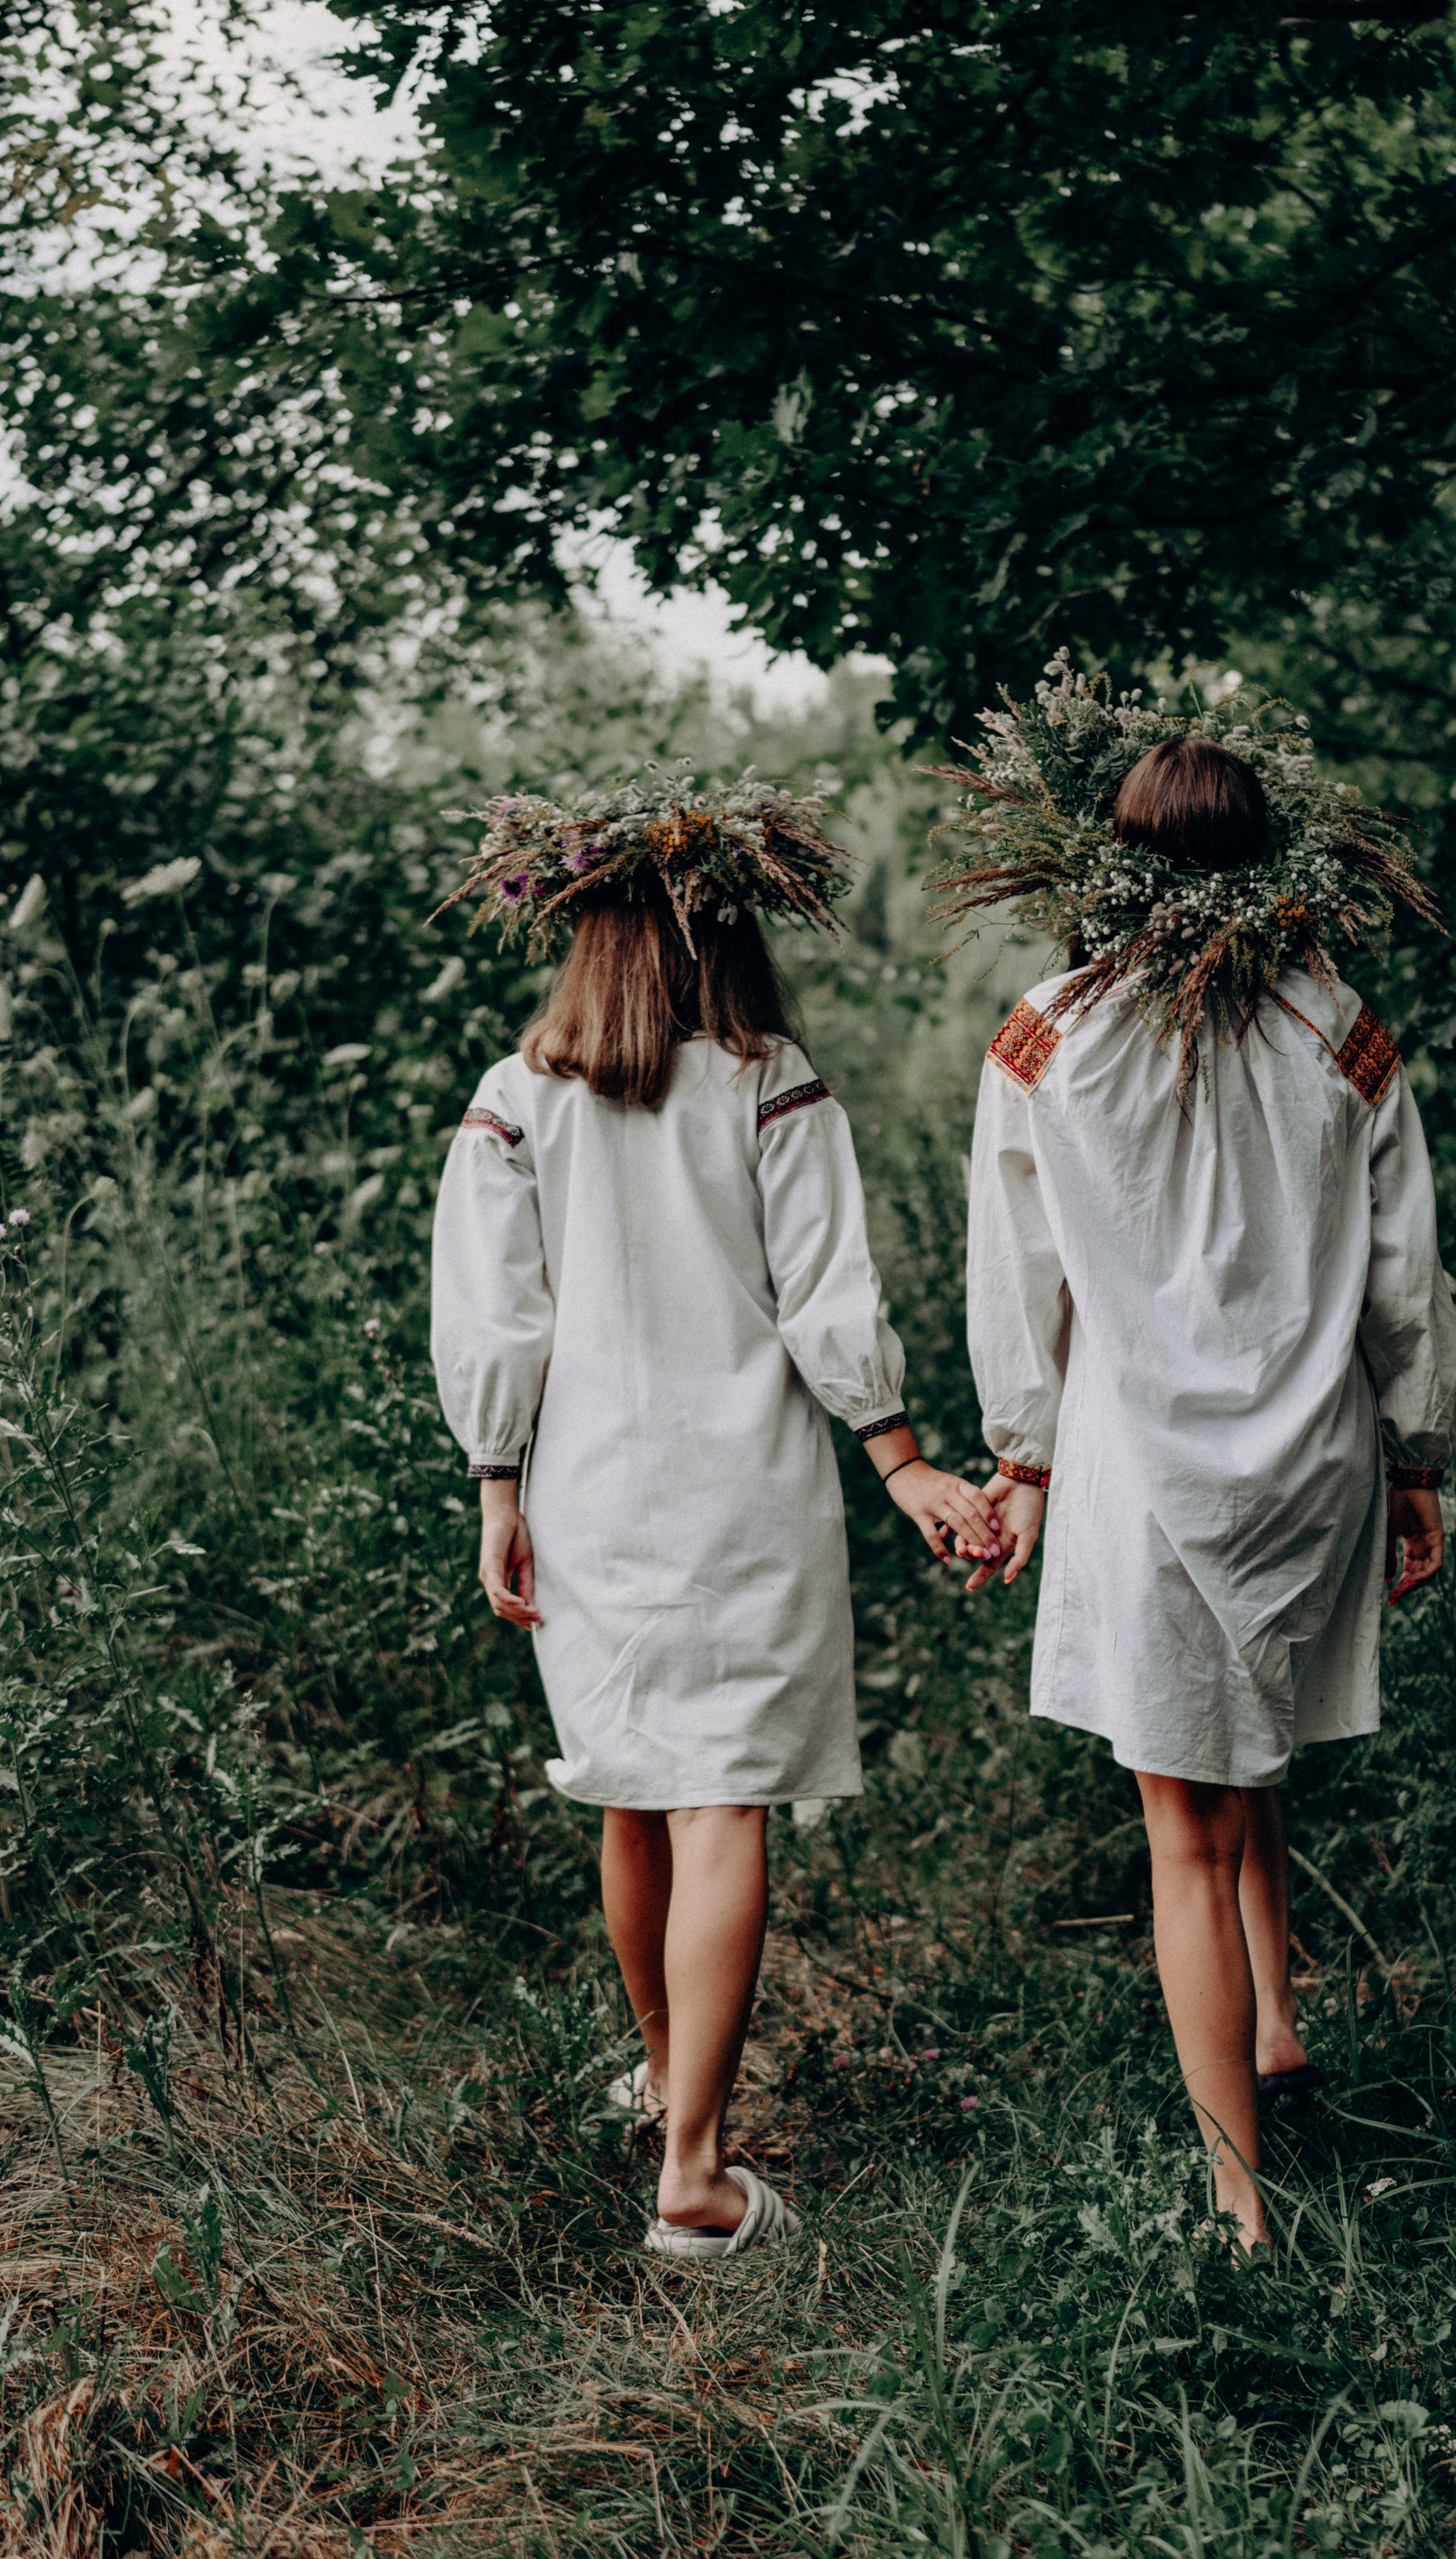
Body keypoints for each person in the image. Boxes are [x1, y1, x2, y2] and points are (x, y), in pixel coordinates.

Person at [431, 773, 998, 2262]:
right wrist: (900, 1460)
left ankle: (664, 2072)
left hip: (586, 1489)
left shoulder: (514, 1097)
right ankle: (693, 2168)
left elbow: (494, 1318)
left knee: (634, 1788)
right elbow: (827, 1297)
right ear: (725, 933)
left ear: (584, 932)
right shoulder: (767, 1079)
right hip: (742, 1488)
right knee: (719, 1799)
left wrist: (499, 1484)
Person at [945, 669, 1456, 2250]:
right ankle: (1277, 2028)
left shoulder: (1048, 1034)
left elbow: (1015, 1279)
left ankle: (1238, 2200)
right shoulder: (1342, 1031)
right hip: (1310, 1457)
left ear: (1106, 858)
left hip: (1138, 1469)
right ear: (1269, 856)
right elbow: (1406, 1270)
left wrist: (1020, 1460)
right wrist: (1417, 1456)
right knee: (1251, 1753)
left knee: (1185, 1826)